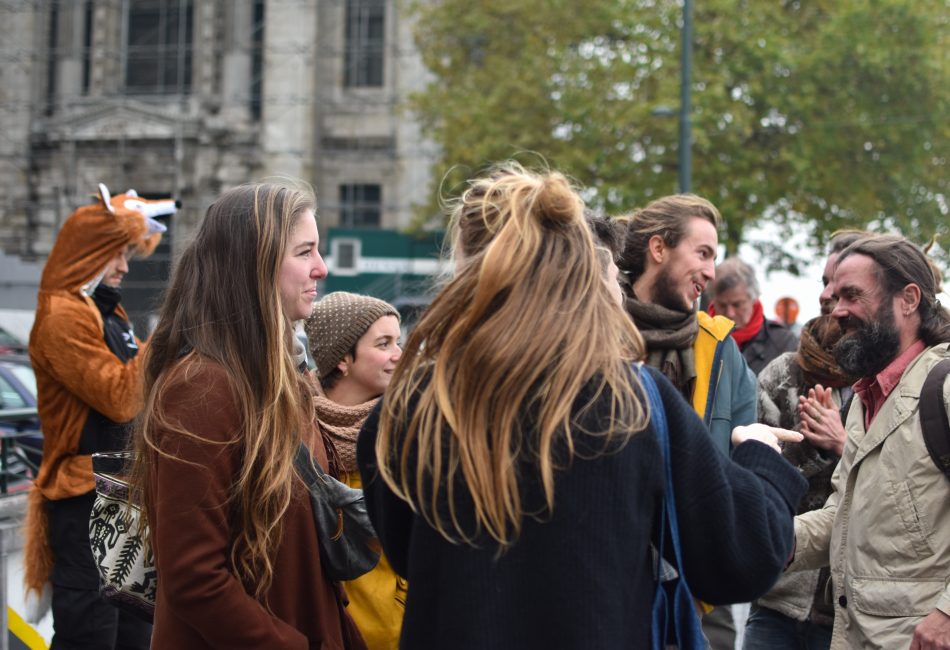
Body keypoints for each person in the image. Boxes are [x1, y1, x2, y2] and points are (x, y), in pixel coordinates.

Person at [356, 163, 807, 649]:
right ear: (575, 276)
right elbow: (742, 560)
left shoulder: (407, 409)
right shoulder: (633, 403)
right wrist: (761, 456)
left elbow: (408, 556)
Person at [128, 183, 366, 649]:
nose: (321, 267)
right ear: (252, 264)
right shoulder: (200, 388)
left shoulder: (283, 379)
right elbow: (195, 578)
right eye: (304, 252)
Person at [24, 184, 174, 649]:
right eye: (117, 255)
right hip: (84, 494)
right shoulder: (62, 316)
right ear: (89, 253)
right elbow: (121, 397)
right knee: (91, 633)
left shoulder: (108, 311)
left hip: (121, 491)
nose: (125, 268)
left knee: (133, 634)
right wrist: (166, 336)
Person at [788, 234, 950, 649]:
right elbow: (843, 513)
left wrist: (947, 615)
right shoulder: (867, 397)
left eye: (852, 295)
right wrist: (774, 539)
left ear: (909, 299)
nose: (836, 310)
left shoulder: (944, 386)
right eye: (835, 295)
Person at [615, 194, 758, 650]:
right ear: (658, 249)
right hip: (605, 583)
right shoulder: (590, 335)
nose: (712, 272)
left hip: (695, 595)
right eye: (703, 253)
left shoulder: (721, 350)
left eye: (713, 257)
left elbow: (739, 474)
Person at [742, 315, 853, 650]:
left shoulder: (880, 380)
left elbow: (889, 483)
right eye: (829, 285)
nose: (834, 301)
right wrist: (809, 448)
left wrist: (842, 444)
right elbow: (759, 477)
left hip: (842, 607)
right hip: (777, 595)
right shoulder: (783, 376)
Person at [305, 292, 405, 649]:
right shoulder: (295, 427)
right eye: (384, 343)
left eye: (399, 341)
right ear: (343, 358)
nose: (399, 354)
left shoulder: (404, 430)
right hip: (321, 631)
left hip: (391, 632)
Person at [709, 257, 798, 375]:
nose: (730, 313)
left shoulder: (783, 342)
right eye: (722, 305)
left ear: (753, 299)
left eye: (737, 304)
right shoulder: (698, 337)